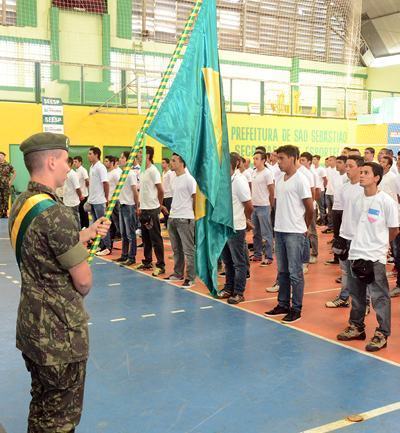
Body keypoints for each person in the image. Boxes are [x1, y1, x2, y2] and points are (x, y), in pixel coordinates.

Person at [8, 132, 110, 433]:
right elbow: (83, 282)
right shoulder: (57, 213)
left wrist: (86, 233)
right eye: (65, 160)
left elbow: (44, 244)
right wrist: (81, 261)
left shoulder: (23, 202)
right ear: (51, 161)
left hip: (32, 326)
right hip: (59, 336)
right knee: (60, 419)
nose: (69, 167)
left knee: (41, 406)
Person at [337, 162, 398, 352]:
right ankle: (356, 326)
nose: (361, 175)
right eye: (361, 172)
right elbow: (354, 226)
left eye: (365, 173)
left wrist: (380, 247)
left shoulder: (386, 201)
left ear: (376, 178)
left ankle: (382, 333)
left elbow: (394, 230)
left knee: (379, 297)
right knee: (356, 295)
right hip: (356, 253)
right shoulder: (357, 200)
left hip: (375, 257)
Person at [265, 145, 313, 323]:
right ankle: (283, 304)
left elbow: (309, 208)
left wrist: (303, 227)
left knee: (295, 273)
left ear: (293, 159)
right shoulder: (281, 178)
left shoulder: (301, 180)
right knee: (283, 271)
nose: (278, 162)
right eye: (277, 159)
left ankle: (296, 309)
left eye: (282, 158)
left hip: (294, 232)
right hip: (280, 230)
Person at [325, 155, 364, 307]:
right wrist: (339, 236)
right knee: (346, 271)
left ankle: (364, 303)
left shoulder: (364, 189)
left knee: (360, 273)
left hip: (359, 238)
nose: (347, 169)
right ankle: (343, 297)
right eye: (346, 166)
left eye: (350, 166)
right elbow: (339, 213)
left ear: (360, 168)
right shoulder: (344, 188)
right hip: (345, 235)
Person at [218, 152, 253, 304]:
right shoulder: (224, 181)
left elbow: (248, 205)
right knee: (227, 261)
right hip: (224, 225)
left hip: (236, 227)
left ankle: (239, 292)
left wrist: (244, 220)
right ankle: (228, 288)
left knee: (239, 262)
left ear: (234, 164)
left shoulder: (239, 181)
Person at [165, 153, 197, 288]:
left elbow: (195, 198)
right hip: (173, 217)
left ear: (181, 163)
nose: (171, 163)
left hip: (185, 218)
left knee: (188, 250)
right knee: (176, 249)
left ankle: (190, 278)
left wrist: (193, 216)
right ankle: (178, 273)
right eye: (171, 160)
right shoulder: (174, 178)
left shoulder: (189, 179)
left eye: (174, 161)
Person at [135, 146, 168, 276]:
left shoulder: (154, 171)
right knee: (146, 238)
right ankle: (147, 261)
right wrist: (139, 206)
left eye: (140, 154)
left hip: (152, 209)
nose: (138, 156)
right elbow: (142, 191)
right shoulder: (142, 171)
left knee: (156, 238)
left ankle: (161, 265)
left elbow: (161, 190)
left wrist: (159, 205)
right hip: (144, 209)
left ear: (147, 155)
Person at [114, 151, 139, 266]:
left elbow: (135, 191)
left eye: (122, 157)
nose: (120, 159)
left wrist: (136, 206)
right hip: (122, 204)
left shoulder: (131, 174)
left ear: (128, 160)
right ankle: (124, 255)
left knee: (130, 234)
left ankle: (131, 257)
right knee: (123, 233)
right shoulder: (122, 173)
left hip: (129, 206)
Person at [250, 150, 274, 266]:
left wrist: (270, 206)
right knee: (256, 233)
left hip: (264, 206)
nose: (254, 161)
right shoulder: (253, 172)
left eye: (257, 158)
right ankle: (257, 254)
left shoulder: (267, 173)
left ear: (263, 160)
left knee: (266, 233)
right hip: (254, 206)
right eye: (254, 158)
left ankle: (268, 256)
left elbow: (271, 190)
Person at [87, 147, 112, 256]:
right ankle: (100, 245)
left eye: (90, 154)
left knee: (102, 225)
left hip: (99, 201)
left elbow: (105, 183)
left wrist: (106, 198)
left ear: (96, 155)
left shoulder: (100, 167)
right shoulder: (92, 167)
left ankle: (107, 247)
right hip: (92, 201)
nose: (88, 156)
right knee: (96, 225)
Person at [325, 155, 347, 265]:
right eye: (336, 162)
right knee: (336, 234)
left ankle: (344, 260)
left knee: (344, 235)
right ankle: (336, 257)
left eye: (339, 162)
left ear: (345, 164)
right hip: (336, 207)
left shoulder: (347, 177)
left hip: (345, 209)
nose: (337, 165)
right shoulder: (334, 175)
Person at [104, 155, 122, 247]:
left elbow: (119, 186)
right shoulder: (107, 173)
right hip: (109, 200)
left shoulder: (115, 173)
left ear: (112, 163)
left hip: (114, 201)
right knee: (111, 222)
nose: (105, 163)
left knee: (117, 221)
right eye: (105, 161)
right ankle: (112, 240)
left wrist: (115, 199)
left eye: (107, 161)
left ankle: (121, 237)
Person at [63, 157, 83, 225]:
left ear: (69, 164)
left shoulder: (73, 174)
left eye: (65, 162)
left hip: (73, 202)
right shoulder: (64, 173)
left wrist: (80, 196)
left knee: (75, 221)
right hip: (66, 201)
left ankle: (79, 234)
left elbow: (77, 188)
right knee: (68, 221)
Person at [73, 156, 89, 228]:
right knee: (81, 212)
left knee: (83, 212)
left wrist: (85, 188)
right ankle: (83, 226)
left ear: (80, 162)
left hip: (83, 195)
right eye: (74, 162)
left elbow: (87, 180)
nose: (74, 163)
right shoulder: (76, 171)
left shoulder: (83, 170)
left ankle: (86, 226)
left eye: (76, 162)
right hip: (79, 195)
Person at [312, 155, 327, 225]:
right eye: (313, 159)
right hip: (313, 189)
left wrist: (322, 187)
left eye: (315, 159)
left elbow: (325, 180)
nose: (313, 161)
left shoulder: (321, 169)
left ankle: (323, 221)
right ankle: (316, 220)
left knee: (321, 206)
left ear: (318, 160)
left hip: (320, 189)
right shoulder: (311, 168)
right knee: (314, 205)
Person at [0, 151, 16, 218]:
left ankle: (5, 213)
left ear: (4, 157)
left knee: (6, 199)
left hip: (6, 185)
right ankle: (1, 213)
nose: (0, 157)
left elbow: (15, 172)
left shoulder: (8, 165)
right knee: (0, 199)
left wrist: (10, 182)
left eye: (1, 156)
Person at [161, 157, 175, 228]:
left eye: (163, 163)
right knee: (164, 211)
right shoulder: (163, 172)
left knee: (169, 211)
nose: (162, 164)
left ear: (167, 164)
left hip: (169, 195)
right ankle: (166, 223)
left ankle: (170, 225)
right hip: (164, 195)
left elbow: (172, 184)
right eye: (161, 163)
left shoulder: (170, 173)